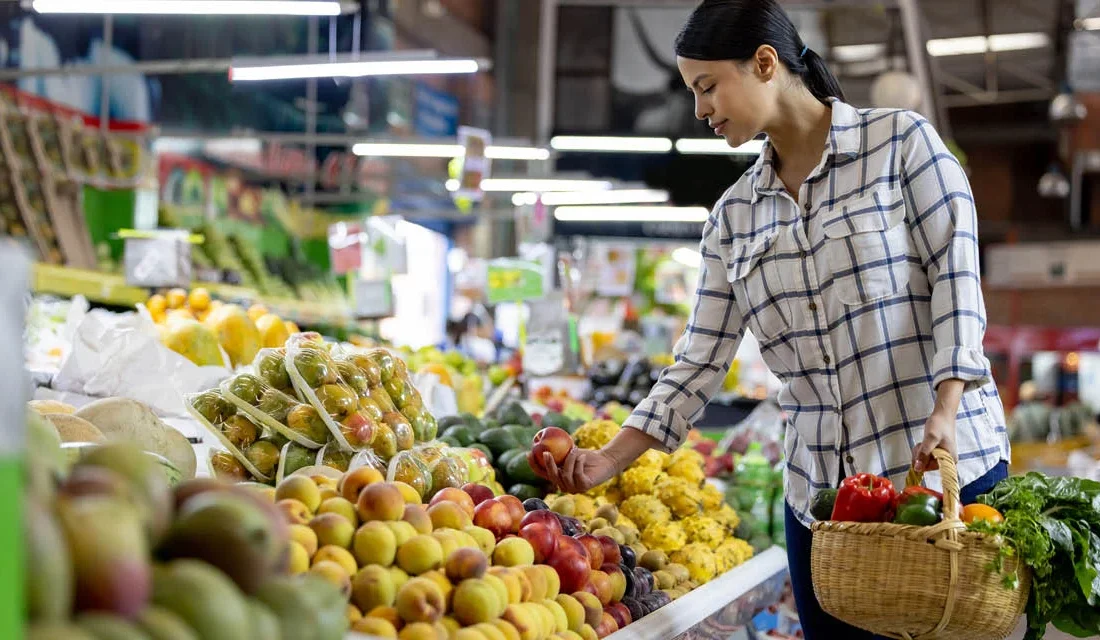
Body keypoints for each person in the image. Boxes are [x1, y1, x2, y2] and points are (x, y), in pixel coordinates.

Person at [539, 1, 1010, 638]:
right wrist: (608, 461)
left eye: (707, 87)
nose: (700, 109)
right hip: (822, 499)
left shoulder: (902, 145)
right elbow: (698, 362)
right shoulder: (733, 217)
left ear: (765, 63)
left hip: (937, 478)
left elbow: (958, 285)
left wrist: (947, 409)